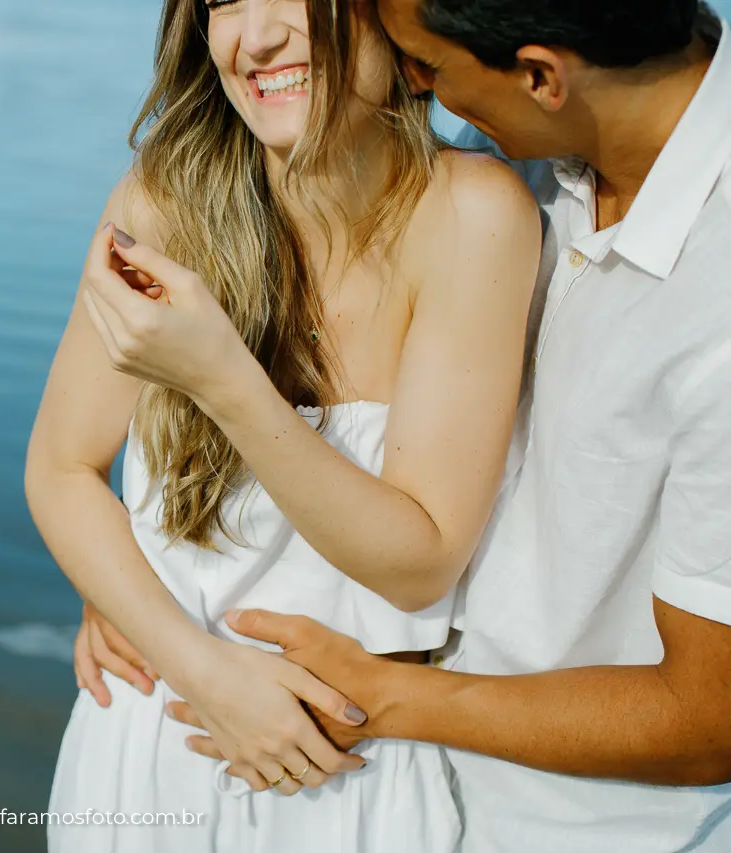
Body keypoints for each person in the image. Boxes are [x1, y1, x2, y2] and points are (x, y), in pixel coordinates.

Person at [155, 2, 731, 851]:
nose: (416, 85)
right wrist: (150, 585)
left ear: (540, 76)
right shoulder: (544, 146)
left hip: (589, 827)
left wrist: (390, 698)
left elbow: (711, 717)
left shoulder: (714, 303)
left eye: (428, 63)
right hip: (424, 791)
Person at [23, 0, 540, 849]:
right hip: (151, 742)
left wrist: (222, 377)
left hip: (350, 770)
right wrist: (198, 666)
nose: (255, 39)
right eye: (225, 0)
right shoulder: (164, 200)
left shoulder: (472, 213)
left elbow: (417, 566)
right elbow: (61, 467)